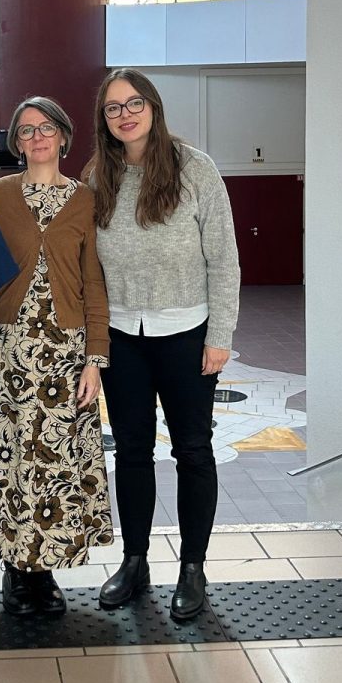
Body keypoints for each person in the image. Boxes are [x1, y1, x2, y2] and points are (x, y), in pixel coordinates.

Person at [0, 96, 113, 617]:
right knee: (8, 458)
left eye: (45, 128)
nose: (36, 137)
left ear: (63, 136)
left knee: (53, 461)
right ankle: (15, 570)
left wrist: (95, 358)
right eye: (25, 130)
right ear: (16, 143)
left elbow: (93, 283)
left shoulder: (86, 200)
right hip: (6, 350)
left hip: (64, 352)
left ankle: (43, 570)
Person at [87, 68, 239, 622]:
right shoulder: (98, 176)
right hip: (123, 337)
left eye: (134, 103)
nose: (125, 115)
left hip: (187, 335)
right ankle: (135, 563)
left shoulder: (195, 169)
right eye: (113, 108)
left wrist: (220, 337)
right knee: (131, 452)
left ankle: (193, 568)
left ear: (153, 107)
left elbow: (224, 258)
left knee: (193, 451)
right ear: (103, 120)